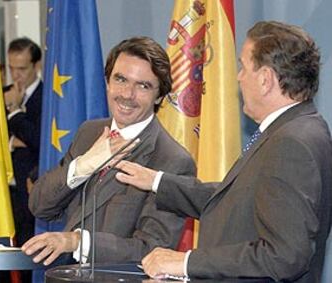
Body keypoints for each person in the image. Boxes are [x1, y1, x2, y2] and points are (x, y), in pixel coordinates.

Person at [115, 21, 332, 282]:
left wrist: (185, 262)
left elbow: (284, 257)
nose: (238, 77)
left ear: (265, 79)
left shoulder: (291, 143)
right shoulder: (298, 128)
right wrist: (157, 181)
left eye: (243, 66)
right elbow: (237, 201)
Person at [22, 36, 196, 267]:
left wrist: (76, 241)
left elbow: (151, 248)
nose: (127, 94)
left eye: (143, 85)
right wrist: (83, 166)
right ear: (107, 82)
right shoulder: (89, 132)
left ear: (160, 96)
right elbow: (41, 206)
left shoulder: (173, 161)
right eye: (120, 79)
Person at [2, 37, 42, 283]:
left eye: (22, 69)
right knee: (2, 258)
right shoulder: (2, 95)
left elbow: (39, 140)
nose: (16, 75)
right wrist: (11, 142)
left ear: (36, 66)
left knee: (28, 257)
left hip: (29, 189)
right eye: (11, 68)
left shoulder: (47, 96)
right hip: (3, 191)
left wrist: (16, 113)